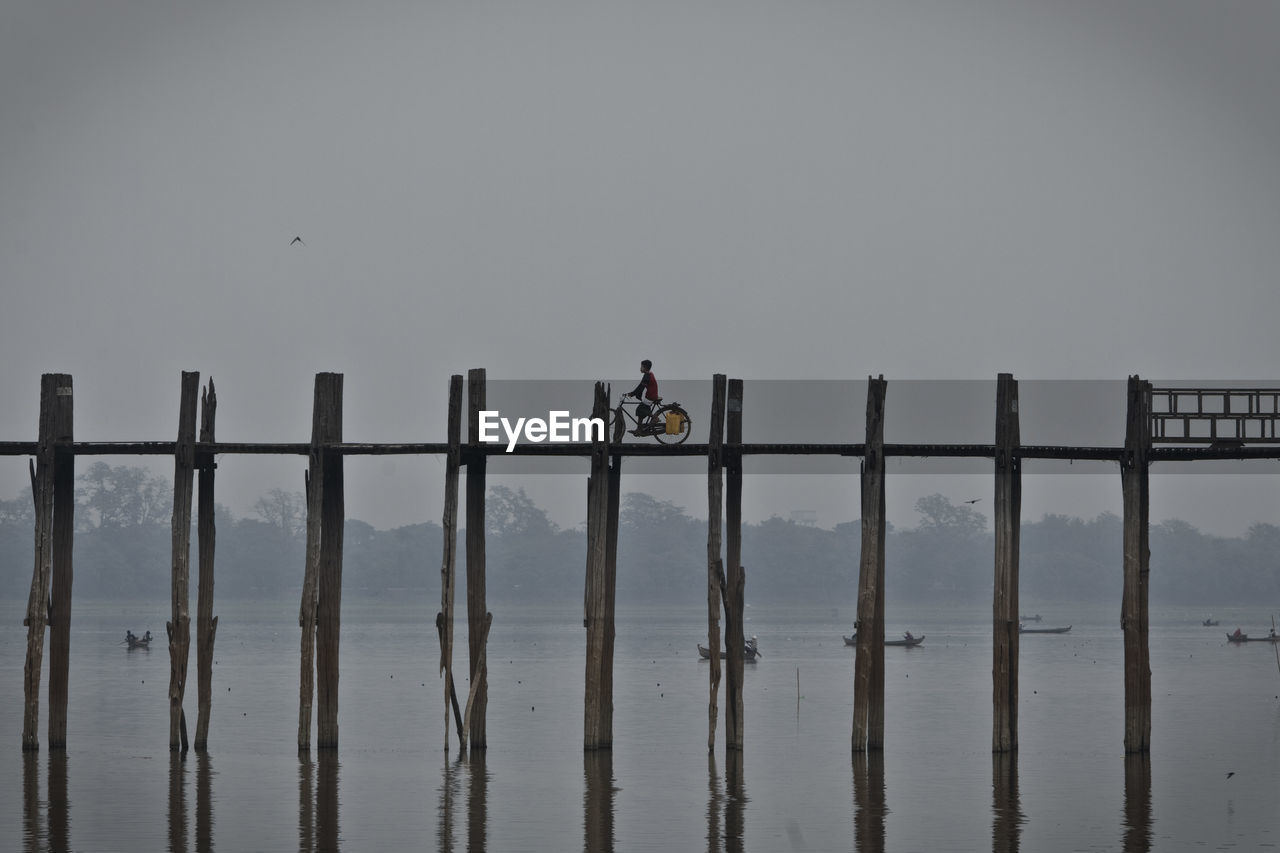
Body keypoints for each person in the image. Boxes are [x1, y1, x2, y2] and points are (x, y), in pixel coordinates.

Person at [626, 360, 660, 424]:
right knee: (640, 413)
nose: (640, 368)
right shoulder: (649, 374)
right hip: (651, 395)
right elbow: (641, 386)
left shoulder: (647, 375)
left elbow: (641, 387)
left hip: (651, 396)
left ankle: (655, 418)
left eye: (641, 367)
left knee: (639, 409)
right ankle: (639, 429)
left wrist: (632, 394)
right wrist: (633, 393)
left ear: (645, 367)